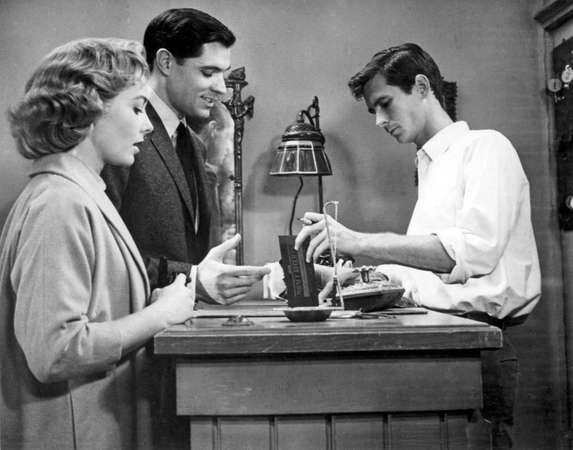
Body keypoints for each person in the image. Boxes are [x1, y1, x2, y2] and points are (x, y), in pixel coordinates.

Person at [295, 43, 541, 449]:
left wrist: (358, 242)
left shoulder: (486, 147)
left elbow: (473, 253)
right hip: (438, 341)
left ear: (422, 87)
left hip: (476, 344)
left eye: (385, 104)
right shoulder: (431, 164)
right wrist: (350, 277)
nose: (379, 120)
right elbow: (423, 272)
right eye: (373, 110)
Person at [0, 37, 218, 449]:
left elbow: (98, 306)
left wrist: (162, 296)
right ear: (86, 111)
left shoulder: (80, 194)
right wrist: (161, 316)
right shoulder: (60, 203)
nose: (148, 123)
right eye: (136, 107)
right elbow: (57, 350)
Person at [101, 8, 268, 304]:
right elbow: (101, 252)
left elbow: (200, 251)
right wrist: (191, 279)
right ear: (165, 62)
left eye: (224, 75)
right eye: (208, 72)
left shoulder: (194, 142)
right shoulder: (120, 135)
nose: (222, 89)